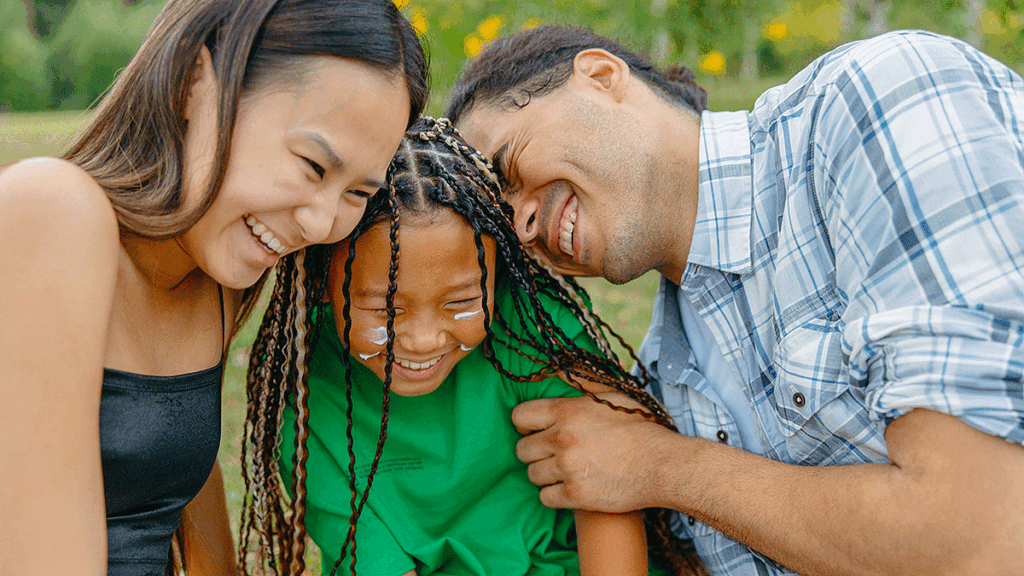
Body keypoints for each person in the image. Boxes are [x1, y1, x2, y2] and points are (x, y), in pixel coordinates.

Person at [444, 25, 1024, 576]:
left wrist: (658, 467)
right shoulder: (659, 386)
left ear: (600, 76)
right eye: (499, 223)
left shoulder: (872, 101)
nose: (519, 228)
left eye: (509, 166)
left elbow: (983, 540)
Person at [0, 0, 427, 574]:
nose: (321, 224)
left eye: (357, 193)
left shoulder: (215, 273)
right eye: (312, 164)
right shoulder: (52, 210)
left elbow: (176, 488)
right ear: (194, 82)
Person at [242, 117, 710, 576]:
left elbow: (607, 488)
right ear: (323, 282)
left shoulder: (531, 327)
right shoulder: (298, 383)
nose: (425, 340)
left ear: (499, 274)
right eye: (386, 310)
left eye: (462, 302)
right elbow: (370, 555)